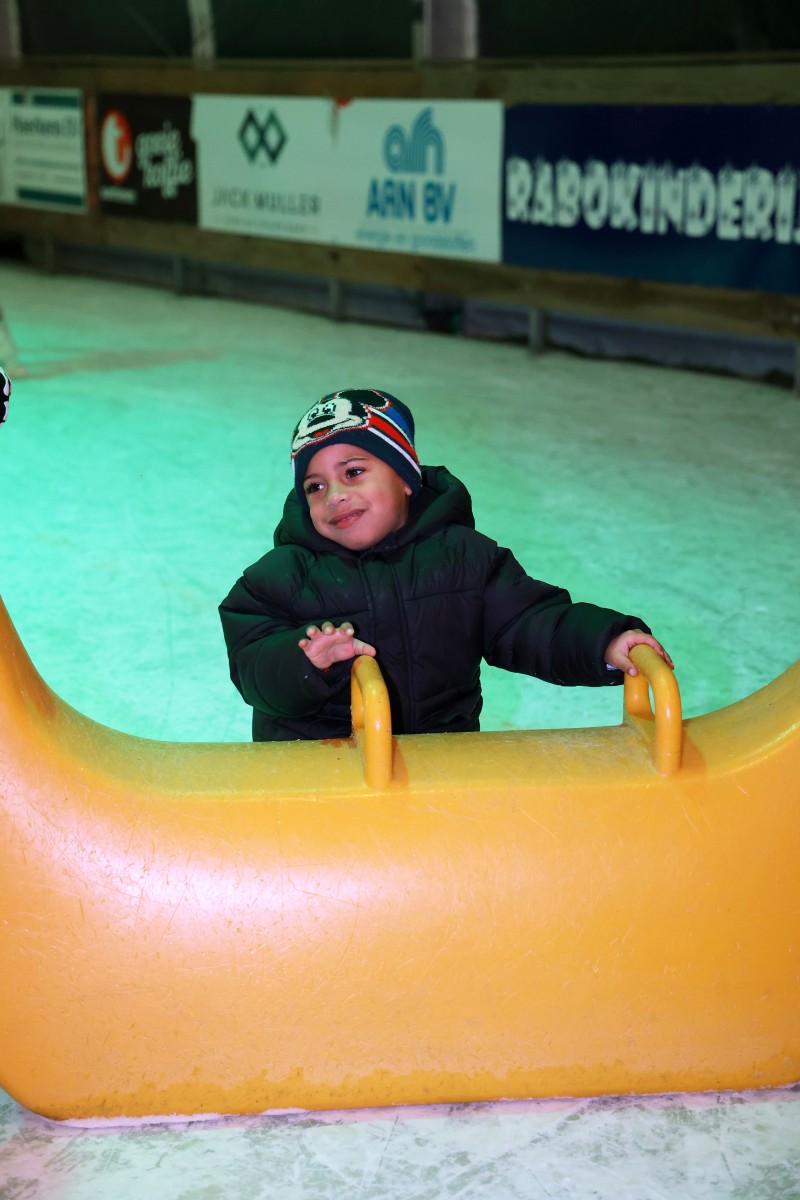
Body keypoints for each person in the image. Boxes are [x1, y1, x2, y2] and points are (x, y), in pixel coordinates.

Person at [219, 388, 671, 742]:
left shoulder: (464, 558)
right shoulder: (282, 577)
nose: (334, 495)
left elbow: (530, 622)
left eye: (353, 472)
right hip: (320, 771)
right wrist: (304, 661)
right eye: (314, 487)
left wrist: (602, 642)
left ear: (405, 477)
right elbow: (252, 662)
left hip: (438, 769)